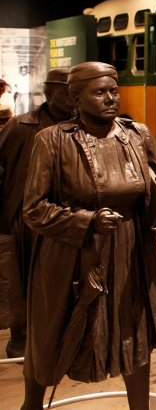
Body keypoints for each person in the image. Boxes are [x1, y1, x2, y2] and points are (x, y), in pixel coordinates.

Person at [20, 62, 156, 410]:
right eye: (99, 92)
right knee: (53, 334)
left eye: (114, 91)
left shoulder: (137, 134)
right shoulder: (51, 141)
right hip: (70, 255)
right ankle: (31, 406)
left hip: (130, 250)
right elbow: (33, 208)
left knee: (134, 332)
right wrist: (85, 221)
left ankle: (141, 407)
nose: (110, 98)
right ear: (76, 97)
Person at [0, 68, 75, 359]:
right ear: (49, 92)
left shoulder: (81, 125)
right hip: (27, 217)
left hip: (66, 216)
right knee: (23, 279)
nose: (72, 99)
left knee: (61, 280)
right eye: (66, 92)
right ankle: (20, 338)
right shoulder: (22, 126)